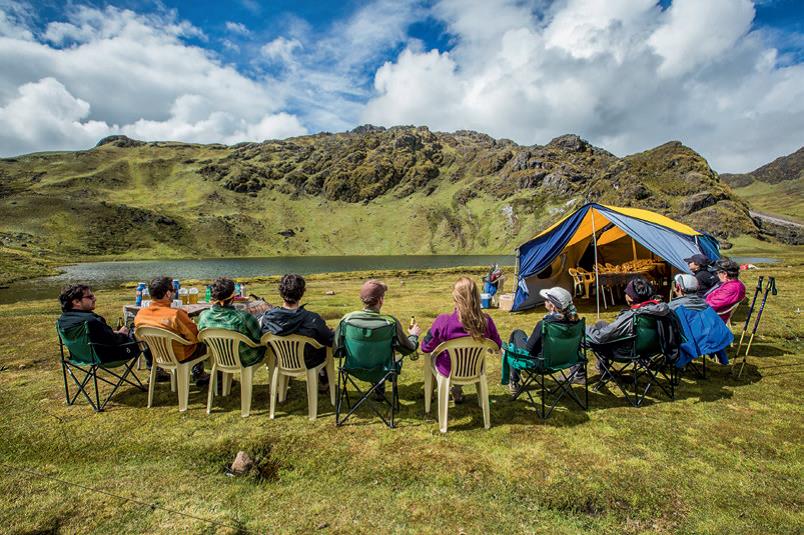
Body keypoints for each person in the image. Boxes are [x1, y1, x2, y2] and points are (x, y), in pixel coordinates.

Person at [421, 277, 502, 403]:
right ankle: (457, 389)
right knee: (464, 356)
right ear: (477, 296)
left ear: (455, 297)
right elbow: (497, 345)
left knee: (434, 356)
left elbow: (426, 347)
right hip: (475, 368)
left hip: (448, 370)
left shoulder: (444, 320)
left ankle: (431, 394)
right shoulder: (486, 320)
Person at [335, 279, 420, 398]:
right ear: (380, 300)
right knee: (394, 355)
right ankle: (380, 387)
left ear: (361, 299)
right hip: (384, 370)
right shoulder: (391, 322)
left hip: (352, 369)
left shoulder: (346, 320)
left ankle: (378, 388)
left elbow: (336, 350)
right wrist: (414, 335)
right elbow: (408, 349)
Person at [259, 274, 333, 389]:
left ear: (281, 292)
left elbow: (262, 338)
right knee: (322, 346)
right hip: (310, 362)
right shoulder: (312, 318)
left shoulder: (267, 318)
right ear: (303, 292)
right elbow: (330, 340)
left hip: (281, 359)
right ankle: (324, 381)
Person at [134, 276, 209, 386]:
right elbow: (195, 336)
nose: (175, 292)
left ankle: (159, 372)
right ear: (168, 294)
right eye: (174, 290)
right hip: (181, 356)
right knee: (206, 341)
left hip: (157, 355)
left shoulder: (141, 314)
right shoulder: (175, 315)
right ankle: (203, 374)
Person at [503, 287, 580, 393]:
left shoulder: (544, 325)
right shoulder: (575, 322)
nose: (544, 302)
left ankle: (514, 381)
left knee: (517, 334)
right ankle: (515, 379)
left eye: (546, 300)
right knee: (522, 336)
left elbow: (528, 349)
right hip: (565, 361)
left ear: (552, 306)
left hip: (542, 364)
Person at [586, 276, 673, 365]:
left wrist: (584, 328)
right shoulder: (661, 309)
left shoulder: (632, 316)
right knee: (600, 323)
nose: (625, 294)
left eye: (626, 292)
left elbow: (600, 337)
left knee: (582, 337)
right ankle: (602, 366)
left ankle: (579, 375)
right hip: (652, 349)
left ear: (631, 297)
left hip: (626, 352)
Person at [58, 284, 143, 363]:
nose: (95, 299)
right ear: (76, 302)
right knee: (144, 334)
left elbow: (96, 336)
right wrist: (122, 334)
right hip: (108, 357)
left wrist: (114, 333)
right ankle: (153, 368)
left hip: (81, 358)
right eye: (90, 297)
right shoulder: (91, 321)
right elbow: (114, 341)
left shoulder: (62, 321)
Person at [198, 277, 265, 367]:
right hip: (245, 359)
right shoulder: (244, 317)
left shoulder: (203, 316)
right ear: (233, 297)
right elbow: (259, 338)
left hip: (219, 358)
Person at [669, 274, 733, 365]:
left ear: (678, 287)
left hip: (685, 346)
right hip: (704, 343)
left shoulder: (673, 307)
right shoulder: (705, 305)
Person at [705, 258, 746, 322]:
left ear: (724, 274)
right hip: (712, 314)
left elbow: (711, 305)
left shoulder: (731, 288)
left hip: (712, 318)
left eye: (717, 273)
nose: (717, 275)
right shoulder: (735, 284)